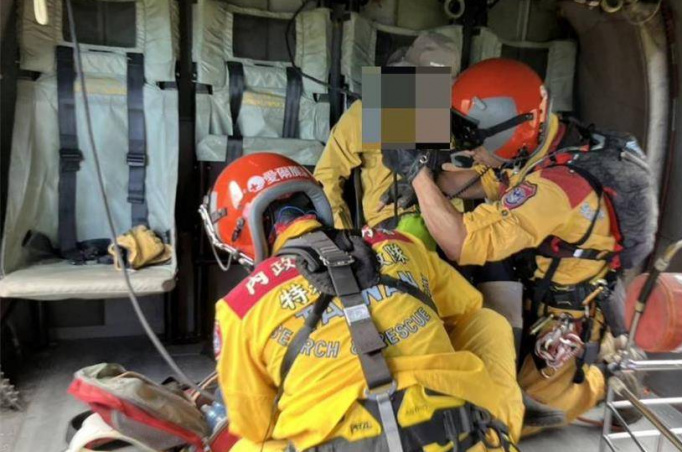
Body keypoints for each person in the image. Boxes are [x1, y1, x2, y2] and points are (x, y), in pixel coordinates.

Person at [382, 58, 652, 432]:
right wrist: (427, 179)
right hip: (536, 283)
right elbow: (493, 184)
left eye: (474, 141)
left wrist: (417, 177)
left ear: (508, 132)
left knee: (502, 420)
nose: (469, 151)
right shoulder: (550, 145)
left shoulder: (559, 188)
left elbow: (463, 241)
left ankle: (607, 380)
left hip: (562, 317)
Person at [201, 153, 523, 451]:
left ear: (242, 232)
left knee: (247, 444)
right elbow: (468, 310)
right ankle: (500, 432)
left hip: (337, 442)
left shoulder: (239, 307)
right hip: (454, 431)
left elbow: (256, 424)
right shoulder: (402, 243)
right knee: (488, 322)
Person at [313, 33, 461, 231]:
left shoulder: (452, 115)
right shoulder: (371, 109)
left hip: (448, 220)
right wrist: (343, 235)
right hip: (391, 226)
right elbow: (327, 177)